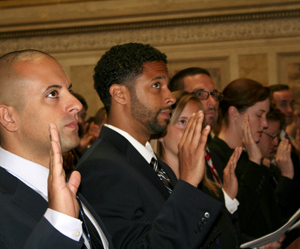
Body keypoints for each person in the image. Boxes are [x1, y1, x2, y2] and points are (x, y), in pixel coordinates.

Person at [76, 43, 223, 248]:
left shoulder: (150, 160)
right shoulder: (101, 167)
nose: (170, 97)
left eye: (167, 86)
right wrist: (188, 184)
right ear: (120, 94)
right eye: (156, 85)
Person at [0, 49, 112, 249]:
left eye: (69, 90)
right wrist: (59, 223)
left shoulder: (69, 182)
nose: (76, 104)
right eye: (53, 94)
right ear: (8, 117)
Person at [152, 90, 242, 248]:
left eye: (197, 123)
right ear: (161, 133)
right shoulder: (154, 188)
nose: (192, 130)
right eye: (183, 122)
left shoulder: (210, 187)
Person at [209, 78, 287, 241]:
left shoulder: (248, 155)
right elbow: (236, 221)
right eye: (259, 115)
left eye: (266, 115)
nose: (265, 124)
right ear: (234, 113)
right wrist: (254, 162)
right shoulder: (213, 156)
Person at [257, 107, 300, 218]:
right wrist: (286, 176)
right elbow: (274, 217)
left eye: (277, 136)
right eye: (271, 136)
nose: (276, 142)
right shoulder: (248, 168)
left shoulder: (272, 167)